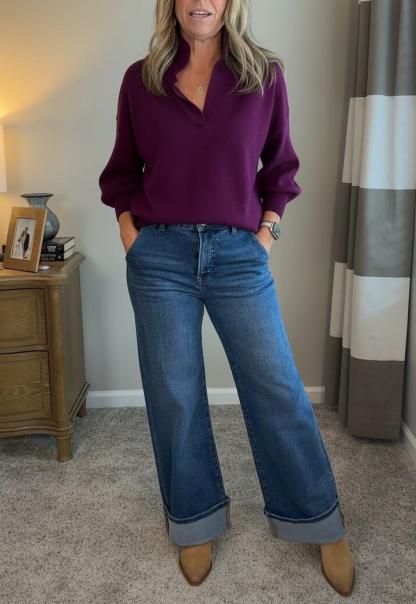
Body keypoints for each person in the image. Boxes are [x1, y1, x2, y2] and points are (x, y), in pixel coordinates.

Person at [98, 0, 356, 596]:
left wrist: (266, 235)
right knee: (174, 392)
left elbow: (280, 167)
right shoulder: (141, 80)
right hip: (159, 257)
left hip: (238, 254)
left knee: (277, 387)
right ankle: (194, 520)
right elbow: (122, 172)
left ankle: (319, 520)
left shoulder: (264, 75)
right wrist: (132, 235)